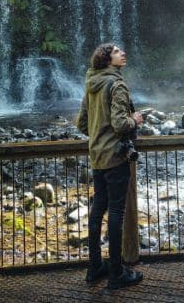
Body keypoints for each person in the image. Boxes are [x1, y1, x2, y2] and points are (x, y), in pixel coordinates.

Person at [75, 43, 144, 289]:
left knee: (97, 211)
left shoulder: (92, 84)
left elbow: (81, 123)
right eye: (117, 52)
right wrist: (134, 120)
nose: (123, 53)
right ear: (107, 59)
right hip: (115, 157)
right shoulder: (117, 84)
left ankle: (95, 267)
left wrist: (97, 134)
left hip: (97, 157)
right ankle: (116, 272)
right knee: (116, 213)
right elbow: (120, 123)